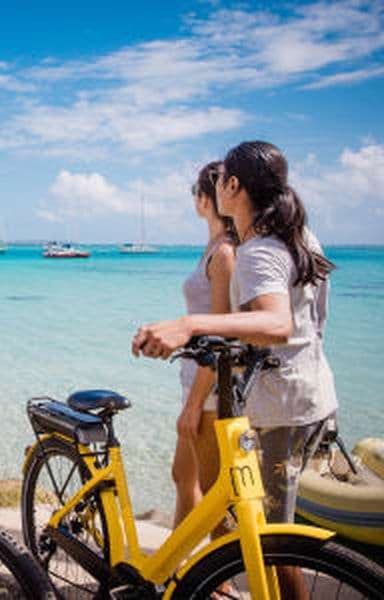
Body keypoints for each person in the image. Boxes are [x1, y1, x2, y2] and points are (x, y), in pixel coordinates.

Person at [132, 140, 336, 598]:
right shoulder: (301, 237)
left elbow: (277, 322)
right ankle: (205, 583)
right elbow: (314, 321)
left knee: (274, 542)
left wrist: (190, 325)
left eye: (219, 177)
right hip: (311, 395)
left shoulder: (258, 249)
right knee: (248, 521)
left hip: (279, 406)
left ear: (233, 187)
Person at [172, 162, 236, 530]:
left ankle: (219, 584)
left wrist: (196, 402)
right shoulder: (213, 247)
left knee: (214, 498)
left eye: (195, 193)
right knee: (183, 477)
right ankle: (177, 568)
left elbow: (221, 334)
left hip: (209, 386)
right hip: (196, 379)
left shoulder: (224, 253)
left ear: (203, 199)